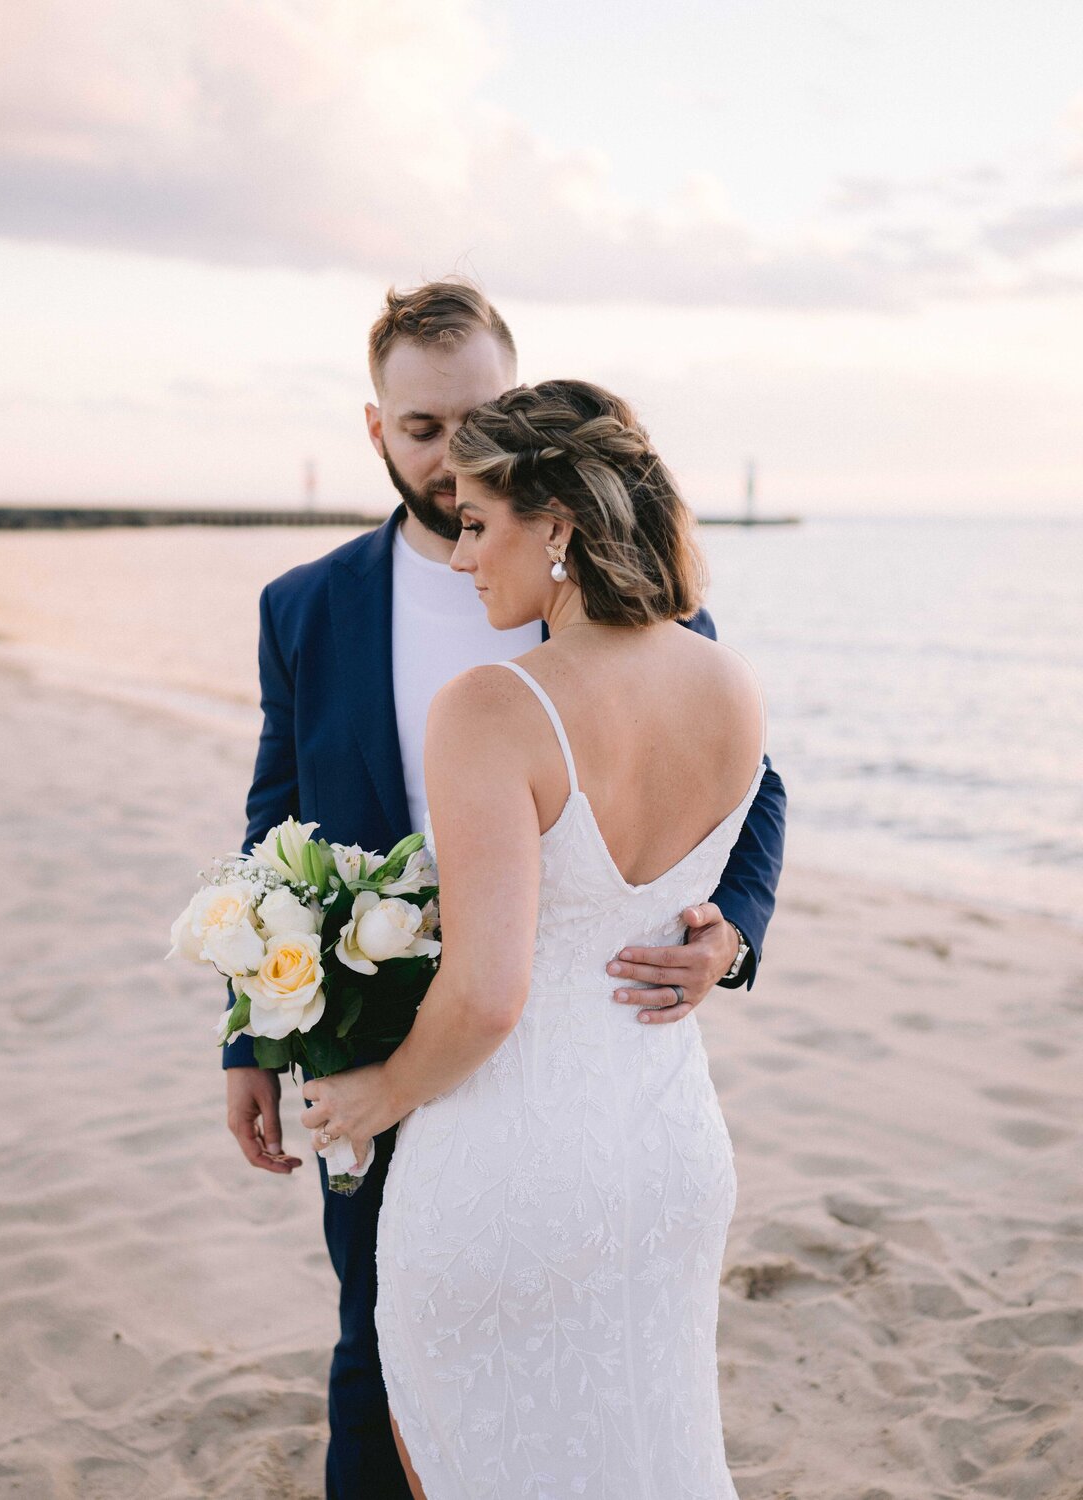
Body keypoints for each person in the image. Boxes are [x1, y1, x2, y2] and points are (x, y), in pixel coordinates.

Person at [224, 283, 786, 1499]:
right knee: (497, 1401)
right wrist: (249, 1034)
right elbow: (272, 831)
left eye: (478, 428)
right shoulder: (306, 608)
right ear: (377, 429)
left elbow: (755, 804)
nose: (450, 464)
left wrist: (731, 932)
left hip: (491, 1090)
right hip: (562, 1099)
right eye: (423, 430)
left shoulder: (567, 672)